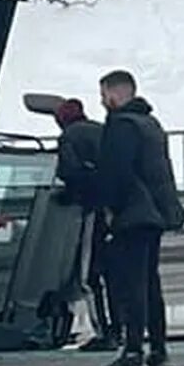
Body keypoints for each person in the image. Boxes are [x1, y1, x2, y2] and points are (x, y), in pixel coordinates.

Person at [95, 70, 184, 366]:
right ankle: (158, 349)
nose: (102, 101)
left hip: (133, 215)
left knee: (131, 283)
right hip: (155, 214)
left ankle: (133, 350)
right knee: (150, 282)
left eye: (104, 93)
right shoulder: (150, 124)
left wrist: (111, 210)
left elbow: (115, 173)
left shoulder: (121, 125)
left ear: (115, 93)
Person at [51, 98, 114, 350]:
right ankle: (121, 328)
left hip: (92, 210)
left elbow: (69, 172)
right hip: (117, 209)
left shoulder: (69, 137)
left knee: (89, 275)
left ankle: (104, 332)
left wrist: (68, 197)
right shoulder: (103, 130)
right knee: (114, 274)